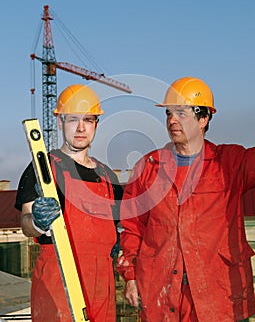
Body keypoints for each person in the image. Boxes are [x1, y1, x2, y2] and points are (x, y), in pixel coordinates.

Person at [116, 77, 255, 322]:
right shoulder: (149, 167)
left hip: (217, 293)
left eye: (182, 113)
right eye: (169, 113)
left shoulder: (231, 163)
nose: (172, 120)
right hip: (162, 292)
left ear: (204, 119)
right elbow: (132, 227)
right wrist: (130, 277)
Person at [15, 84, 123, 322]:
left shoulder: (108, 176)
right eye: (73, 119)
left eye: (89, 120)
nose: (81, 128)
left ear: (97, 124)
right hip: (58, 281)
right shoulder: (43, 168)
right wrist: (38, 222)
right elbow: (25, 223)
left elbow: (117, 226)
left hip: (102, 286)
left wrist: (118, 239)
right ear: (60, 122)